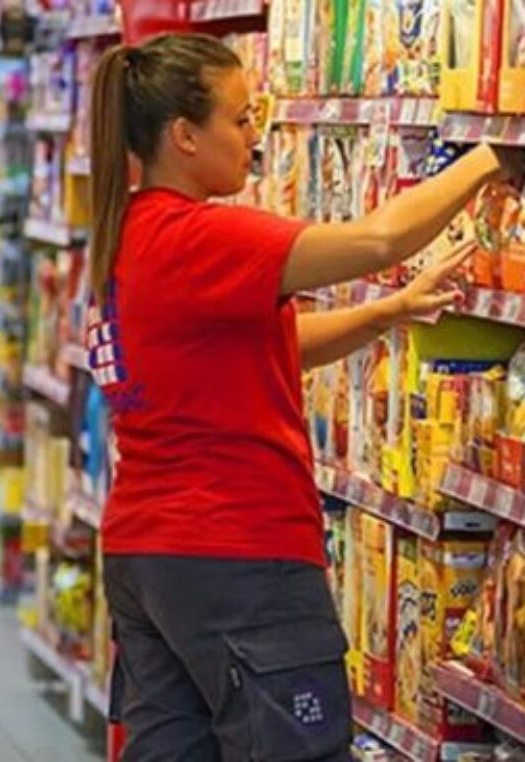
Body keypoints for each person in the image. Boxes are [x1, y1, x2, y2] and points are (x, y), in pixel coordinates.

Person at [87, 33, 520, 761]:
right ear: (184, 136)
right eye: (241, 117)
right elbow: (377, 238)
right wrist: (493, 154)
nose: (255, 136)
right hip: (239, 556)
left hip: (149, 554)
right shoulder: (201, 234)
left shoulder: (128, 232)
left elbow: (244, 355)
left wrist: (386, 313)